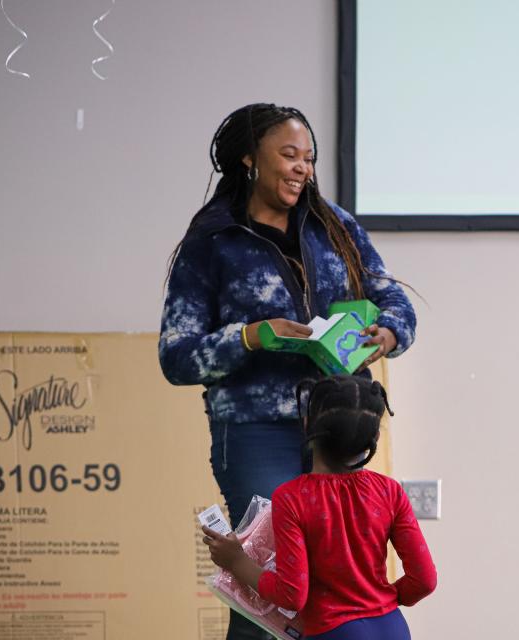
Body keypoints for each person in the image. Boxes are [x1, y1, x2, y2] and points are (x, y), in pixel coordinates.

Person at [159, 103, 416, 640]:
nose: (304, 168)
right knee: (263, 588)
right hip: (257, 432)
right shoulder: (213, 243)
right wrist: (249, 336)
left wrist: (389, 332)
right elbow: (176, 356)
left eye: (310, 158)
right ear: (251, 159)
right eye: (290, 154)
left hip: (342, 426)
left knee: (338, 582)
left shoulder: (335, 225)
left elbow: (392, 297)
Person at [203, 375, 437, 639]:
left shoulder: (292, 498)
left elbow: (292, 594)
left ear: (307, 425)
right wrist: (382, 601)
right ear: (374, 437)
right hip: (393, 628)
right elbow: (425, 579)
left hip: (333, 632)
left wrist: (237, 561)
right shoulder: (389, 491)